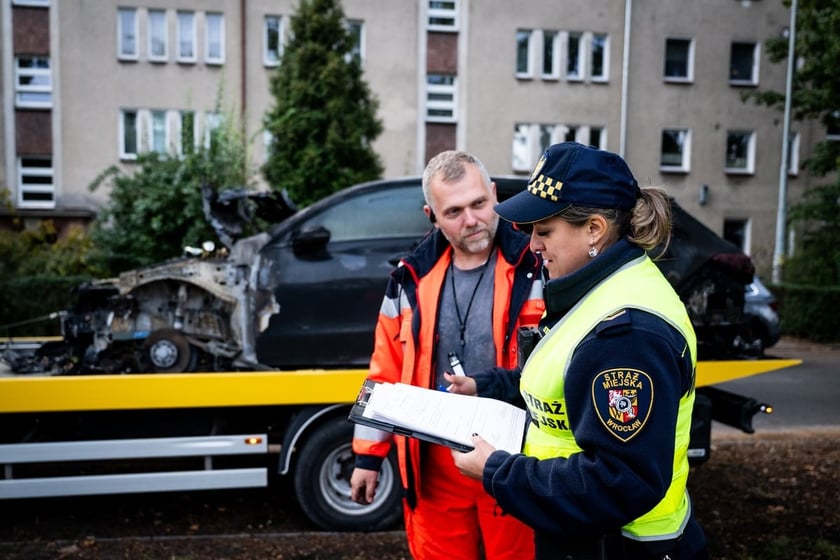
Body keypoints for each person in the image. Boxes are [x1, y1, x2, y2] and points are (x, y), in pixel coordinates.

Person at [449, 142, 710, 560]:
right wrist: (489, 386)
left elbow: (621, 480)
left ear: (594, 229)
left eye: (544, 231)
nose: (533, 246)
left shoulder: (626, 333)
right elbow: (568, 384)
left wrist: (497, 471)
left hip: (622, 548)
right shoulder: (599, 290)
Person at [350, 150, 544, 560]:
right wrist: (367, 458)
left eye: (479, 203)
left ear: (494, 194)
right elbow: (384, 373)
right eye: (454, 211)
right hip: (433, 467)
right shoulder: (409, 279)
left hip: (516, 458)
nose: (471, 220)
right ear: (432, 216)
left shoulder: (538, 265)